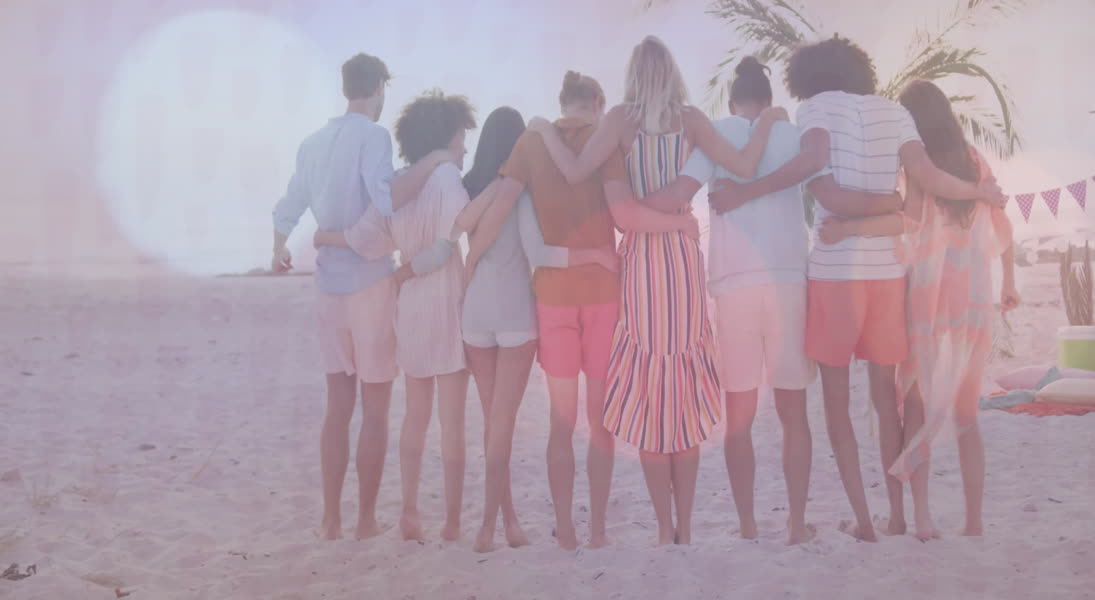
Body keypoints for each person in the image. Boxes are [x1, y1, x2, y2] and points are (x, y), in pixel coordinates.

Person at [711, 36, 1006, 541]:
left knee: (836, 407)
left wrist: (751, 192)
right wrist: (968, 192)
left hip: (835, 275)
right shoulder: (894, 113)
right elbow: (928, 176)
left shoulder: (815, 109)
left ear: (807, 76)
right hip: (886, 277)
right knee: (886, 400)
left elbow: (823, 188)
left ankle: (866, 523)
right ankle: (897, 515)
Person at [531, 37, 783, 545]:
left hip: (643, 264)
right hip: (682, 265)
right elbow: (744, 164)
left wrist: (540, 128)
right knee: (682, 395)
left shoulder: (620, 120)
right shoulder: (691, 119)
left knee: (652, 396)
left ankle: (666, 529)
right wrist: (771, 121)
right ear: (672, 73)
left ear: (632, 74)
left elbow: (575, 170)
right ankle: (685, 528)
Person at [639, 57, 892, 544]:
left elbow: (681, 193)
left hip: (732, 283)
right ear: (769, 101)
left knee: (740, 416)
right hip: (787, 280)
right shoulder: (793, 131)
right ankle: (796, 525)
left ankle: (749, 525)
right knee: (792, 412)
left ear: (733, 101)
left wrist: (628, 206)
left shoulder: (714, 132)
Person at [821, 80, 1018, 539]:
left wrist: (849, 228)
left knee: (914, 404)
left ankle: (923, 517)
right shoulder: (973, 161)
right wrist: (1008, 282)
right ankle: (973, 521)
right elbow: (1002, 223)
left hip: (926, 301)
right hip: (971, 301)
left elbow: (904, 222)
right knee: (967, 414)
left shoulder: (915, 164)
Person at [271, 53, 450, 541]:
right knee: (375, 408)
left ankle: (331, 519)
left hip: (326, 288)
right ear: (379, 89)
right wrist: (433, 162)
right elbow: (386, 196)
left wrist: (279, 244)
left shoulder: (312, 143)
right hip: (369, 285)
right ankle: (366, 520)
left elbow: (289, 204)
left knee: (337, 405)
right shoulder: (374, 136)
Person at [464, 71, 632, 550]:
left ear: (561, 104)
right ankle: (598, 529)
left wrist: (470, 256)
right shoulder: (608, 142)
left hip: (554, 299)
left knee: (563, 421)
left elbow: (500, 205)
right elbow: (624, 212)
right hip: (602, 294)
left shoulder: (531, 144)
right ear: (598, 102)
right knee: (600, 419)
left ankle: (567, 531)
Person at [313, 89, 477, 542]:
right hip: (444, 302)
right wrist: (407, 270)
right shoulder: (446, 179)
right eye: (462, 137)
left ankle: (408, 512)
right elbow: (449, 245)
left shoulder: (400, 184)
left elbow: (365, 236)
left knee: (415, 416)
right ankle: (450, 521)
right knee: (452, 421)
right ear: (446, 137)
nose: (465, 147)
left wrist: (326, 237)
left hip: (409, 308)